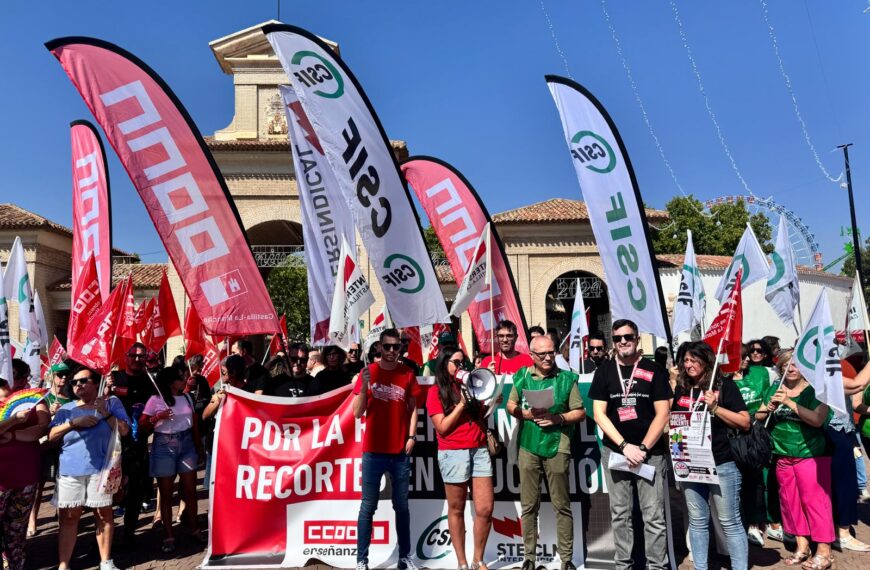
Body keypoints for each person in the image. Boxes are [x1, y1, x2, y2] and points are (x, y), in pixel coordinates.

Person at [589, 319, 672, 570]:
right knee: (620, 514)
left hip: (651, 454)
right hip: (616, 453)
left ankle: (657, 566)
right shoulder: (604, 371)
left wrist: (643, 448)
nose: (623, 341)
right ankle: (623, 566)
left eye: (628, 337)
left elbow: (663, 414)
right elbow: (599, 413)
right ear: (613, 342)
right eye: (617, 338)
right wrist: (625, 446)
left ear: (637, 339)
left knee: (653, 517)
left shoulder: (654, 370)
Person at [506, 335, 585, 570]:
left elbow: (579, 412)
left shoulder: (567, 378)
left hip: (558, 445)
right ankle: (528, 558)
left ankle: (566, 560)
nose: (548, 357)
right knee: (529, 505)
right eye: (542, 354)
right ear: (532, 356)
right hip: (528, 445)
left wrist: (557, 418)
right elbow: (511, 406)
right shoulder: (522, 376)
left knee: (562, 504)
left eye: (551, 352)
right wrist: (528, 414)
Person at [671, 342, 749, 570]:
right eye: (686, 360)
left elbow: (744, 422)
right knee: (697, 521)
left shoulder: (724, 386)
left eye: (694, 361)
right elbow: (677, 423)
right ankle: (701, 567)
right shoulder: (682, 388)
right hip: (690, 465)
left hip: (721, 463)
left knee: (730, 522)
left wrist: (715, 408)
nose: (689, 365)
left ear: (706, 361)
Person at [756, 350, 835, 569]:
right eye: (785, 365)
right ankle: (802, 547)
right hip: (781, 454)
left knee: (816, 503)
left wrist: (789, 402)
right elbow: (760, 415)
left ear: (805, 368)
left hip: (810, 455)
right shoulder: (776, 388)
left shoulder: (816, 390)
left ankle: (824, 552)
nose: (790, 369)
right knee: (791, 504)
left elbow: (818, 420)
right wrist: (767, 409)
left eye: (795, 365)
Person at [49, 365, 130, 570]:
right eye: (74, 382)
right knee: (69, 518)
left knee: (104, 514)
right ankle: (64, 564)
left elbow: (125, 431)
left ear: (96, 383)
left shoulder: (111, 403)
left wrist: (106, 414)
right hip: (70, 471)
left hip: (102, 470)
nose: (78, 385)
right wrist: (73, 423)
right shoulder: (66, 409)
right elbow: (51, 438)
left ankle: (106, 561)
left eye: (83, 381)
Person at [352, 328, 418, 570]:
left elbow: (413, 408)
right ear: (379, 347)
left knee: (401, 506)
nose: (392, 351)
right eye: (387, 346)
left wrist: (412, 436)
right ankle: (361, 560)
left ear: (401, 348)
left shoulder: (408, 373)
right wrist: (363, 388)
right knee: (368, 506)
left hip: (400, 452)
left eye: (396, 347)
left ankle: (404, 557)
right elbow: (357, 412)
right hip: (373, 452)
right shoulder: (367, 372)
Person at [427, 349, 494, 570]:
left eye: (462, 361)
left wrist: (490, 397)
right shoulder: (436, 392)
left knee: (484, 509)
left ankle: (479, 559)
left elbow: (481, 416)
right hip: (453, 452)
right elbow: (443, 427)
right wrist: (462, 405)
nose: (460, 365)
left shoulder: (471, 385)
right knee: (457, 508)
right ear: (444, 364)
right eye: (455, 362)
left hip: (479, 449)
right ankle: (462, 562)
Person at [141, 367, 205, 553]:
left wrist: (198, 447)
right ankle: (169, 535)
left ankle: (195, 529)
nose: (184, 380)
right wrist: (157, 417)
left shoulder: (187, 398)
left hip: (186, 444)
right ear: (170, 382)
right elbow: (143, 425)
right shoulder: (155, 399)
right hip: (164, 445)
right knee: (166, 494)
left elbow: (193, 422)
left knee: (190, 490)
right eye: (180, 378)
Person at [0, 359, 50, 570]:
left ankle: (15, 565)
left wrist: (11, 433)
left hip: (26, 474)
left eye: (24, 377)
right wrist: (14, 420)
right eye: (19, 377)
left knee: (17, 528)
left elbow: (42, 427)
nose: (23, 382)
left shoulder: (34, 398)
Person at [108, 342, 157, 543]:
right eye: (133, 355)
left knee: (136, 492)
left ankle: (129, 534)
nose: (137, 359)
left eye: (141, 356)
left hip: (138, 446)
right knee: (109, 492)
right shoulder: (114, 378)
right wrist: (107, 387)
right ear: (125, 356)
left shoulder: (151, 382)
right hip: (112, 446)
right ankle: (103, 538)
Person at [734, 343, 777, 546]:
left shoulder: (760, 373)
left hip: (755, 435)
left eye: (750, 355)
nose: (749, 359)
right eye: (744, 356)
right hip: (732, 438)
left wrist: (763, 410)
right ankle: (741, 523)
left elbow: (765, 401)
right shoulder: (721, 380)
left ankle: (756, 523)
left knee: (756, 482)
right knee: (737, 483)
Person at [28, 362, 74, 537]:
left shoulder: (71, 399)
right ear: (50, 377)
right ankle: (33, 520)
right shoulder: (43, 398)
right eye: (59, 375)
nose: (63, 379)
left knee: (61, 483)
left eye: (65, 375)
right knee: (39, 485)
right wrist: (51, 414)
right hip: (45, 446)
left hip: (63, 446)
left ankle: (61, 516)